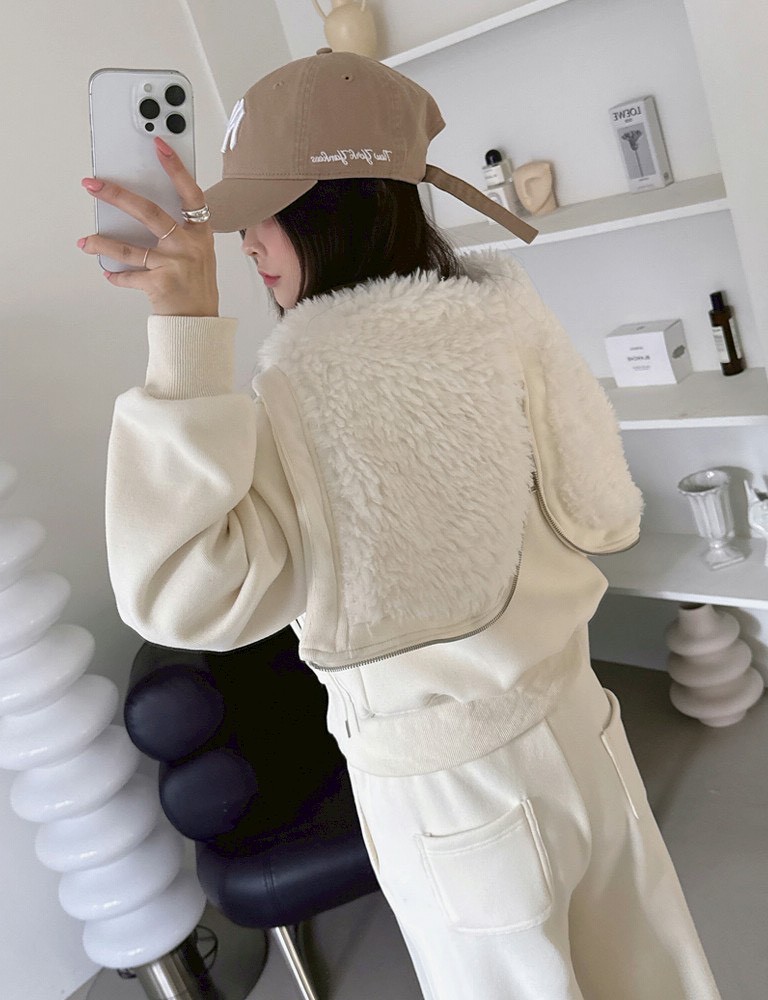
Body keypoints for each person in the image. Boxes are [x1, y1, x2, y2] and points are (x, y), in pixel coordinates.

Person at [80, 50, 721, 1000]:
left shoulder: (302, 389)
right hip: (586, 733)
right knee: (654, 972)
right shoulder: (504, 317)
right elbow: (601, 507)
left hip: (452, 798)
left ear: (332, 206)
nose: (246, 241)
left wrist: (184, 342)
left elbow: (181, 597)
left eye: (265, 211)